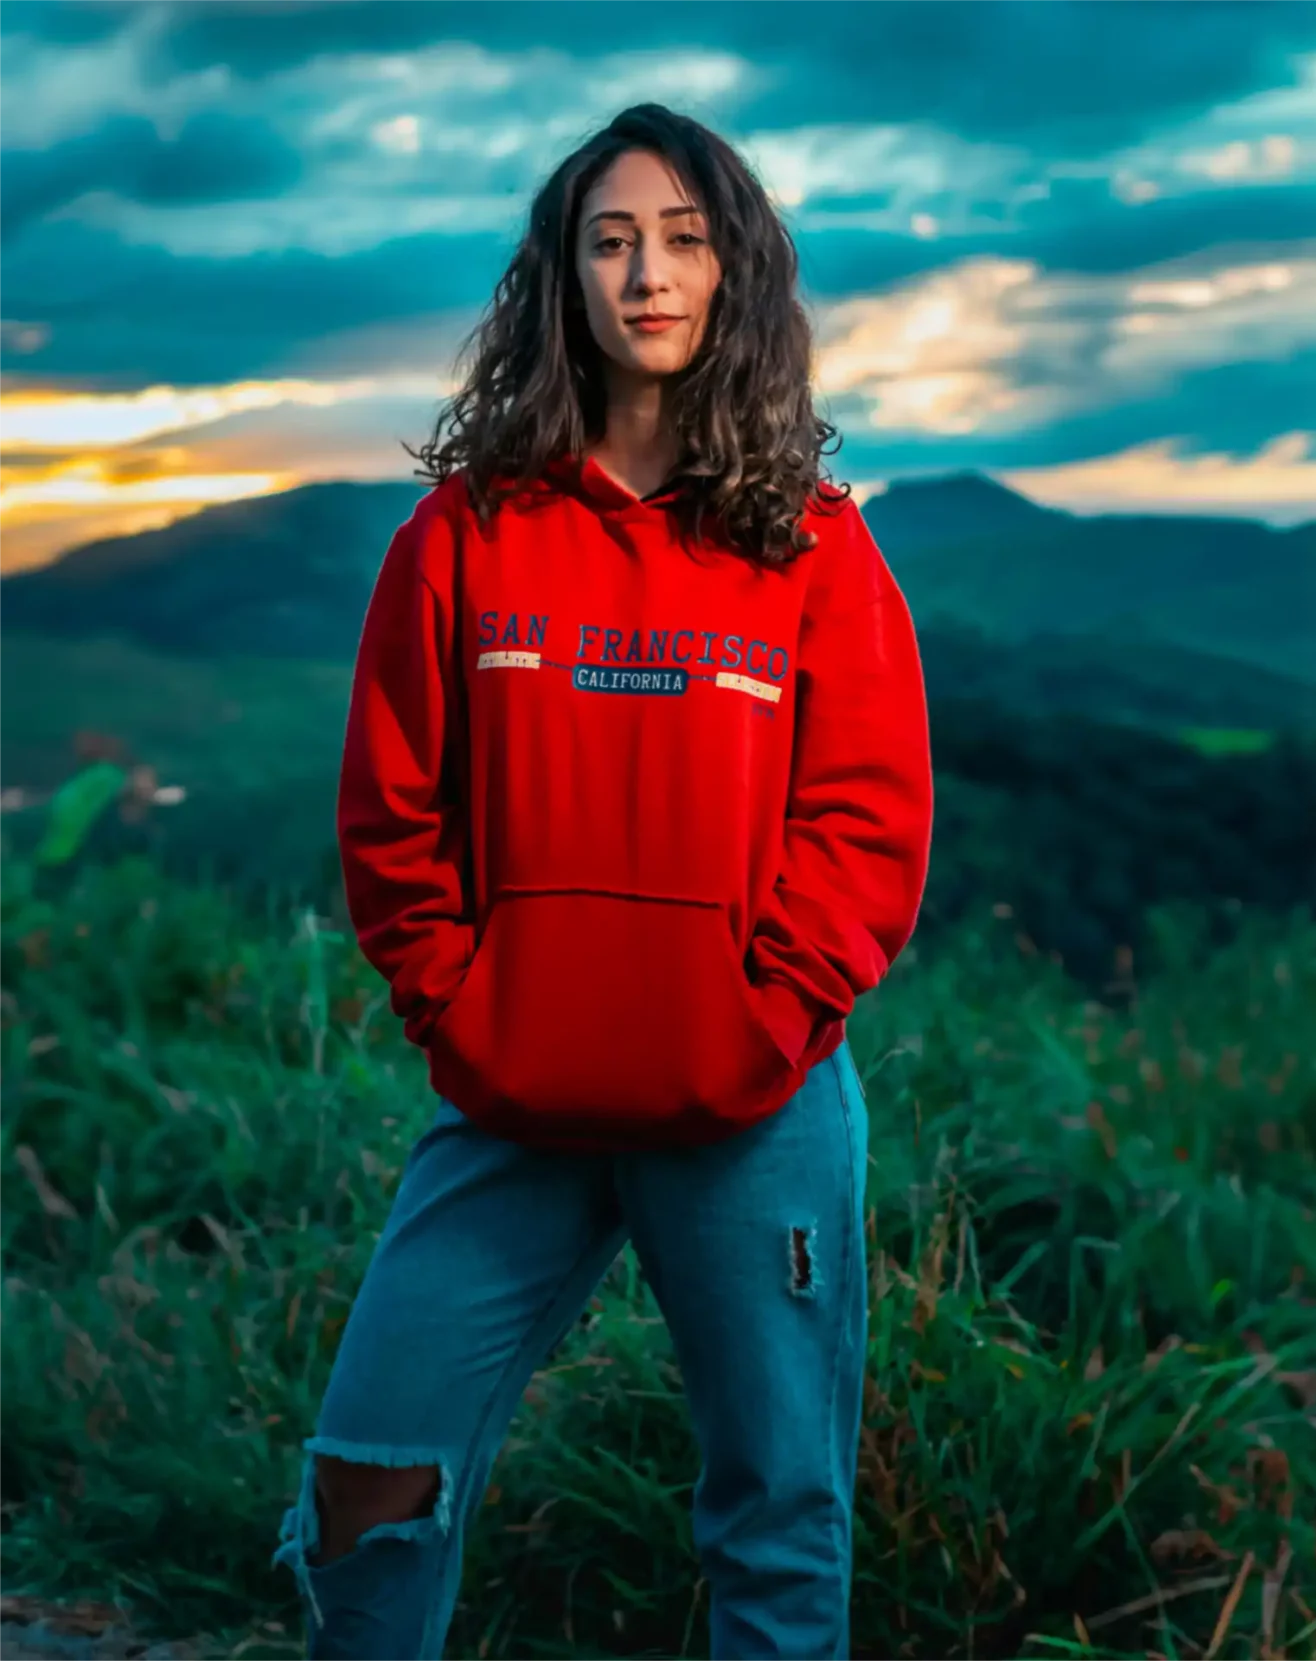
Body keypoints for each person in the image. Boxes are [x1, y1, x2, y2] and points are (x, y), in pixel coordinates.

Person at [271, 102, 934, 1660]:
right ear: (562, 277)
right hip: (517, 1100)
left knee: (778, 1516)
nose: (648, 272)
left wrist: (759, 1023)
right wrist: (463, 1008)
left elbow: (866, 830)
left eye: (685, 240)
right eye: (612, 238)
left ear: (735, 279)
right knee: (371, 1479)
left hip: (754, 1107)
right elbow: (393, 815)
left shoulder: (816, 549)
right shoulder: (463, 538)